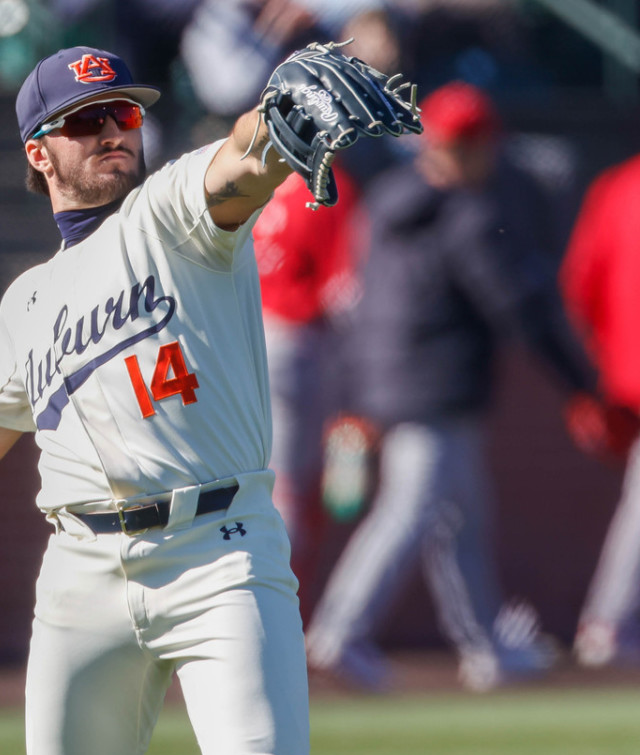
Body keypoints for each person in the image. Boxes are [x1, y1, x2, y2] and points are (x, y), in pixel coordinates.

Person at [0, 44, 414, 755]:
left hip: (219, 556)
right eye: (85, 120)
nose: (112, 131)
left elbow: (238, 164)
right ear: (39, 152)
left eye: (122, 113)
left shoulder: (171, 216)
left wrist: (272, 120)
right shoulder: (27, 302)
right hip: (82, 573)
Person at [304, 82, 601, 692]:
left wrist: (354, 392)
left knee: (460, 519)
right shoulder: (466, 214)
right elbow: (518, 309)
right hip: (433, 388)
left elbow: (356, 306)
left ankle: (486, 646)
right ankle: (340, 632)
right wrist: (581, 385)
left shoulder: (387, 204)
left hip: (388, 383)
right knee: (411, 512)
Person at [252, 162, 361, 612]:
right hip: (297, 342)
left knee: (256, 487)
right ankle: (278, 616)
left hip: (237, 338)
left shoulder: (246, 173)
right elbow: (345, 292)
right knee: (292, 493)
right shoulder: (328, 183)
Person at [560, 152, 640, 669]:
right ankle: (607, 622)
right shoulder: (617, 188)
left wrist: (592, 376)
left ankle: (607, 623)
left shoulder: (616, 186)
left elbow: (577, 289)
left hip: (622, 372)